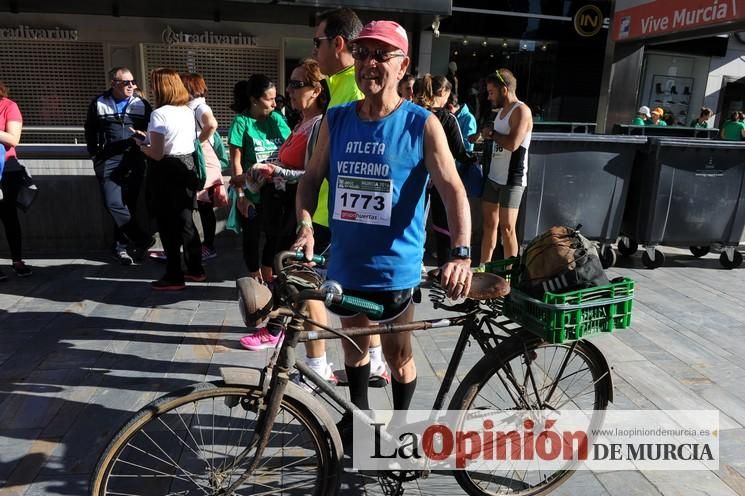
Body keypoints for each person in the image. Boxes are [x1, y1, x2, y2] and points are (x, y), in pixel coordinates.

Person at [294, 20, 472, 441]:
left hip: (394, 270)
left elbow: (453, 190)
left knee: (397, 355)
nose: (369, 63)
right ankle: (357, 418)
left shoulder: (421, 124)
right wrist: (305, 225)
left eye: (381, 55)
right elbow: (310, 178)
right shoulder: (335, 121)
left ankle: (401, 425)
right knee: (353, 346)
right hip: (345, 262)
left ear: (403, 65)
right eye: (362, 53)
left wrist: (461, 253)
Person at [305, 7, 391, 387]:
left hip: (341, 219)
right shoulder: (339, 89)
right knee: (351, 306)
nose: (314, 52)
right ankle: (370, 366)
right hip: (328, 214)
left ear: (336, 42)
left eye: (316, 42)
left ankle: (324, 365)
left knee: (336, 299)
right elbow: (319, 165)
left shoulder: (355, 90)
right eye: (362, 56)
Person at [239, 58, 330, 353]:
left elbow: (314, 175)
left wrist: (275, 171)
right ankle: (284, 335)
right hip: (283, 210)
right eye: (288, 84)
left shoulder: (318, 125)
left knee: (300, 286)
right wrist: (267, 168)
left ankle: (285, 338)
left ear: (316, 90)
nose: (287, 91)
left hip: (302, 214)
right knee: (295, 283)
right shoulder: (301, 122)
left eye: (296, 84)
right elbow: (289, 164)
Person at [134, 68, 204, 291]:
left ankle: (174, 275)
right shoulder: (186, 111)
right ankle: (195, 268)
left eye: (154, 84)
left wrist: (141, 146)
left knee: (167, 225)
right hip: (187, 167)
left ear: (161, 87)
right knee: (186, 222)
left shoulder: (159, 113)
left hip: (165, 172)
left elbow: (157, 153)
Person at [85, 67, 153, 265]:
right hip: (108, 160)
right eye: (126, 82)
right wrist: (94, 154)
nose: (132, 86)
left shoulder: (141, 104)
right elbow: (89, 129)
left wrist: (145, 139)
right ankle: (141, 239)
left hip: (135, 158)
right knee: (113, 203)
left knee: (128, 205)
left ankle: (121, 247)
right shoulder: (99, 103)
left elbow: (154, 131)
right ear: (113, 83)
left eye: (133, 82)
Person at [227, 74, 291, 282]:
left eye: (276, 98)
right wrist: (240, 195)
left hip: (277, 189)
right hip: (251, 191)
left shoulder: (277, 119)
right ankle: (255, 277)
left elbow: (291, 148)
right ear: (254, 100)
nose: (275, 103)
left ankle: (267, 269)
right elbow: (235, 162)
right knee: (252, 236)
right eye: (269, 99)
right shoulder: (241, 122)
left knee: (275, 234)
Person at [413, 74, 472, 267]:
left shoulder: (413, 114)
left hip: (414, 177)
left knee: (413, 220)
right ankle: (444, 266)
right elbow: (460, 151)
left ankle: (414, 262)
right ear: (444, 92)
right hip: (439, 177)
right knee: (442, 222)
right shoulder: (447, 118)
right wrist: (474, 159)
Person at [479, 69, 533, 267]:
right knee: (489, 226)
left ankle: (510, 274)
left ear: (504, 89)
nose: (489, 96)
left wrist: (491, 134)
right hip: (494, 176)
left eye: (492, 92)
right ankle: (483, 269)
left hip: (512, 179)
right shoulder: (500, 112)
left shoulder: (521, 110)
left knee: (508, 228)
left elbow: (512, 144)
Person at [180, 73, 227, 262]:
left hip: (203, 162)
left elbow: (212, 124)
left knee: (203, 207)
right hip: (203, 161)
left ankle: (208, 246)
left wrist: (195, 143)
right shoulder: (193, 107)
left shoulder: (199, 106)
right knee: (202, 206)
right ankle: (205, 245)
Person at [0, 80, 32, 280]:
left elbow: (13, 139)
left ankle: (17, 260)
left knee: (8, 214)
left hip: (6, 168)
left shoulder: (9, 106)